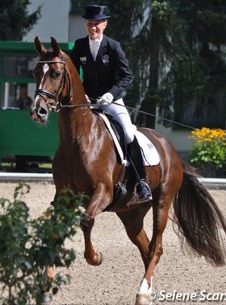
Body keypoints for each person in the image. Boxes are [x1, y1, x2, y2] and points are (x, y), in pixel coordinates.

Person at [70, 5, 152, 203]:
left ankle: (141, 182)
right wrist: (82, 95)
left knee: (128, 132)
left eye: (97, 24)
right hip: (88, 102)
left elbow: (127, 76)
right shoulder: (79, 45)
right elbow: (72, 75)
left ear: (104, 24)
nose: (93, 28)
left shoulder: (113, 46)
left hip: (111, 100)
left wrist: (110, 94)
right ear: (86, 25)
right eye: (90, 24)